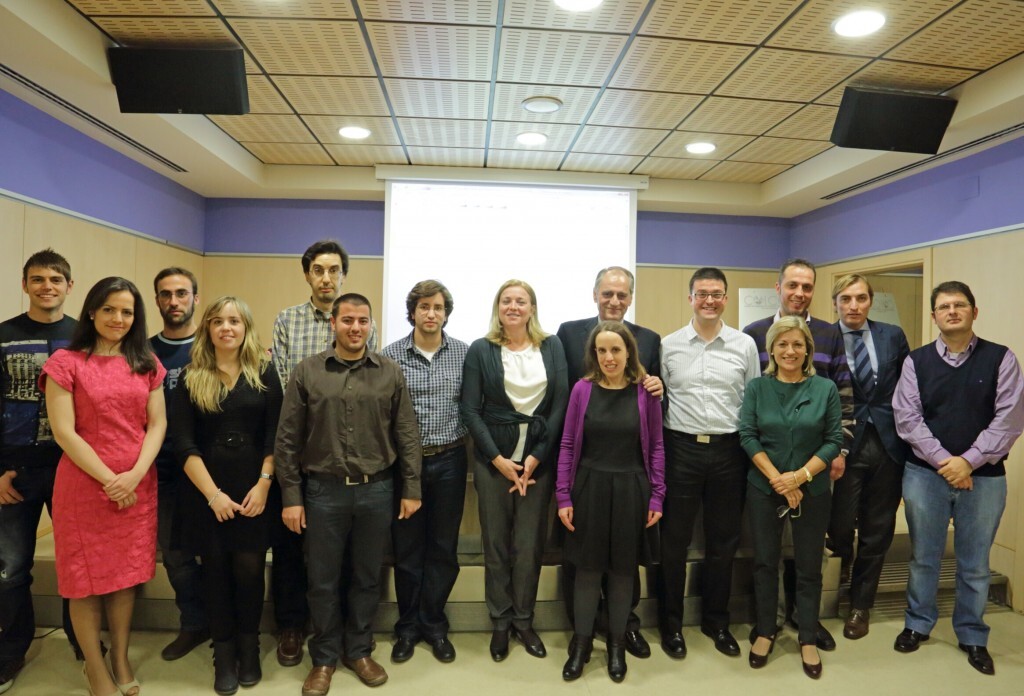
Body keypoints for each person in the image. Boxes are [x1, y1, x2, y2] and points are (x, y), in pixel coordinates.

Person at [275, 293, 421, 696]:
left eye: (363, 320)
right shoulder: (307, 372)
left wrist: (411, 487)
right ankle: (323, 658)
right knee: (321, 580)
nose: (355, 327)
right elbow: (287, 439)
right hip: (323, 493)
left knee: (367, 578)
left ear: (371, 324)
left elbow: (407, 434)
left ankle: (357, 650)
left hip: (377, 491)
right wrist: (291, 495)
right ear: (333, 324)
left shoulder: (389, 372)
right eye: (348, 320)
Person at [41, 277, 167, 696]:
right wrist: (110, 479)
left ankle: (120, 655)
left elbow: (157, 424)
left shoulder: (146, 361)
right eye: (110, 309)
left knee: (125, 577)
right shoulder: (66, 362)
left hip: (137, 486)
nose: (118, 319)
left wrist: (133, 474)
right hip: (84, 488)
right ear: (92, 311)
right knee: (85, 580)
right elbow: (64, 432)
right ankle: (94, 667)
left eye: (127, 312)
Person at [892, 281, 1024, 676]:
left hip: (984, 479)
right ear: (934, 316)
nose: (952, 311)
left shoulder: (1002, 359)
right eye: (944, 306)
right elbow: (908, 419)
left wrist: (966, 462)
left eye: (960, 305)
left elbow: (1009, 419)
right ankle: (917, 623)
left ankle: (972, 634)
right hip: (924, 477)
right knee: (923, 558)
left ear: (974, 312)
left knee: (975, 563)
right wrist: (946, 463)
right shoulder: (915, 362)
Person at [270, 239, 376, 667]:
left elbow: (367, 382)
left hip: (345, 457)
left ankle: (348, 640)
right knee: (293, 550)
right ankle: (293, 627)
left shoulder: (358, 319)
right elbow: (280, 386)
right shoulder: (287, 321)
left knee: (343, 560)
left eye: (334, 270)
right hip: (300, 453)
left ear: (344, 275)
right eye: (318, 270)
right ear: (308, 275)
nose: (327, 277)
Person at [171, 296, 283, 695]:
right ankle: (224, 650)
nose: (226, 328)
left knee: (250, 570)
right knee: (215, 570)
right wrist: (213, 495)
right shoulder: (189, 377)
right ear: (208, 330)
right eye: (217, 321)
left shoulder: (265, 373)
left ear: (246, 327)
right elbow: (182, 443)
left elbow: (275, 436)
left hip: (255, 488)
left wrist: (265, 483)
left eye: (234, 320)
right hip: (206, 492)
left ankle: (249, 647)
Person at [742, 257, 853, 650]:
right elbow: (749, 430)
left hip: (815, 475)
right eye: (793, 285)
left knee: (810, 561)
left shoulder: (828, 339)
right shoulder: (752, 336)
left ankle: (806, 628)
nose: (799, 293)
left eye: (807, 287)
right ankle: (767, 627)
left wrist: (809, 471)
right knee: (765, 561)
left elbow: (842, 403)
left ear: (808, 347)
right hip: (767, 479)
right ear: (779, 287)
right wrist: (778, 478)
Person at [555, 266, 661, 659]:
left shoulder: (650, 342)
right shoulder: (568, 336)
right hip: (588, 478)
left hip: (631, 482)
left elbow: (655, 440)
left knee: (622, 570)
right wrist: (564, 492)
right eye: (607, 294)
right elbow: (567, 437)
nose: (614, 301)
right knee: (583, 568)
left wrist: (657, 494)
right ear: (595, 295)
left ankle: (619, 636)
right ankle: (581, 638)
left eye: (622, 294)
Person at [461, 279, 568, 662]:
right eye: (506, 300)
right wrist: (497, 460)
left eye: (521, 301)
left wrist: (537, 456)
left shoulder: (552, 346)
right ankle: (501, 622)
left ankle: (524, 620)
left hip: (539, 462)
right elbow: (470, 410)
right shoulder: (481, 349)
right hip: (495, 464)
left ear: (532, 308)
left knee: (529, 546)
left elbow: (560, 405)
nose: (513, 306)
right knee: (496, 547)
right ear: (497, 307)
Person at [658, 268, 759, 660]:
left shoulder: (745, 345)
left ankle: (716, 621)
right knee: (674, 543)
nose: (709, 301)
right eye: (702, 294)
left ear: (726, 299)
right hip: (680, 448)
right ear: (690, 299)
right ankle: (671, 624)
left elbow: (751, 401)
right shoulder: (668, 346)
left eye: (716, 294)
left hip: (728, 452)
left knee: (723, 542)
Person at [0, 249, 83, 692]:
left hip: (74, 469)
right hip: (14, 471)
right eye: (38, 279)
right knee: (11, 569)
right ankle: (12, 650)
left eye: (55, 279)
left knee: (76, 563)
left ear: (70, 286)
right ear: (25, 284)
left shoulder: (86, 338)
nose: (46, 286)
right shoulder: (4, 336)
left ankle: (81, 639)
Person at [382, 281, 468, 664]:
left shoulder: (465, 354)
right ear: (412, 312)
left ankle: (434, 624)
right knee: (408, 550)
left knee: (443, 549)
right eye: (423, 307)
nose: (431, 313)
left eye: (437, 307)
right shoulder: (390, 356)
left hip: (450, 460)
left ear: (446, 312)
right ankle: (407, 628)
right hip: (405, 467)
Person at [828, 274, 909, 640]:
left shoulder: (892, 335)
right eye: (846, 299)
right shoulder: (823, 338)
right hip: (844, 443)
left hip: (889, 444)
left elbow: (910, 387)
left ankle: (861, 604)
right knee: (841, 524)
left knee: (878, 529)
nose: (854, 306)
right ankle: (843, 564)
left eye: (861, 298)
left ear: (870, 301)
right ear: (836, 303)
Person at [150, 267, 208, 661]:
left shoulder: (211, 346)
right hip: (162, 469)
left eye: (182, 294)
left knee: (219, 552)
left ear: (195, 299)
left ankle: (226, 625)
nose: (174, 301)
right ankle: (193, 623)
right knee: (175, 556)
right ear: (156, 300)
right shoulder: (140, 349)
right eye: (166, 294)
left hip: (210, 468)